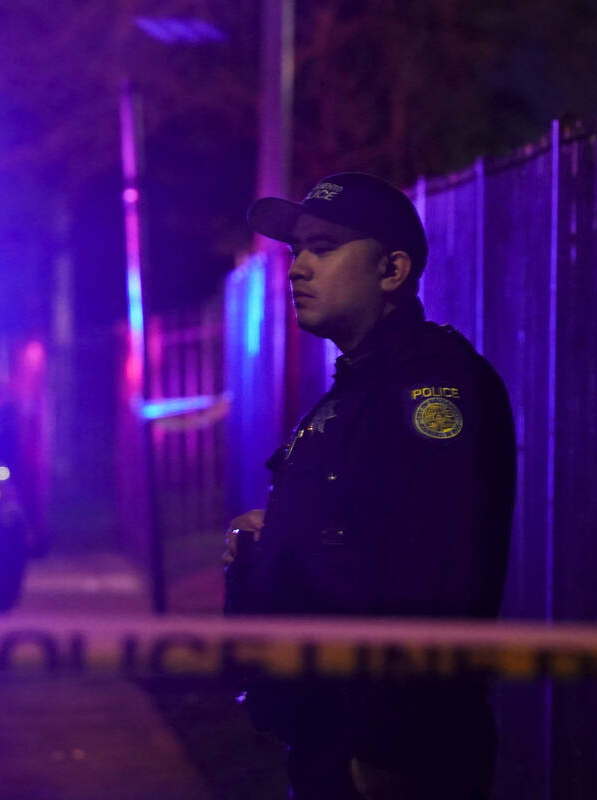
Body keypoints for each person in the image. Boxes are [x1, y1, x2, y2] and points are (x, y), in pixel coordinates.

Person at [224, 172, 516, 799]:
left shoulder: (431, 387)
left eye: (323, 248)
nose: (298, 267)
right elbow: (361, 531)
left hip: (387, 753)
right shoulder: (361, 385)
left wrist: (390, 746)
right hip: (333, 731)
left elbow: (439, 572)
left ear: (392, 270)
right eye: (295, 250)